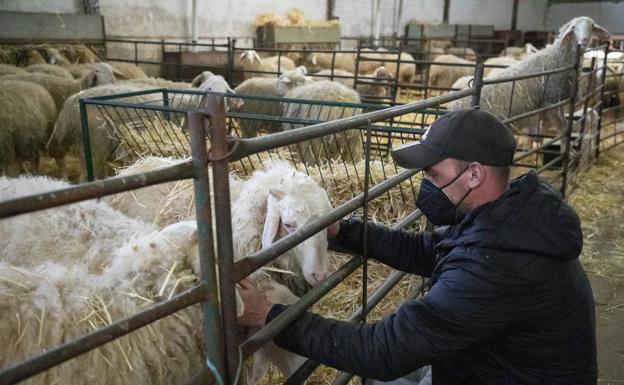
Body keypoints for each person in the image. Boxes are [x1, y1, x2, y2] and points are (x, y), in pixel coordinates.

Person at [237, 109, 597, 385]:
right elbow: (427, 251)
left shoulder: (497, 268)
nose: (426, 184)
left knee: (376, 374)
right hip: (497, 369)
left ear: (473, 174)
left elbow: (379, 350)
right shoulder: (512, 219)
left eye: (433, 174)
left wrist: (270, 317)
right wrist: (340, 231)